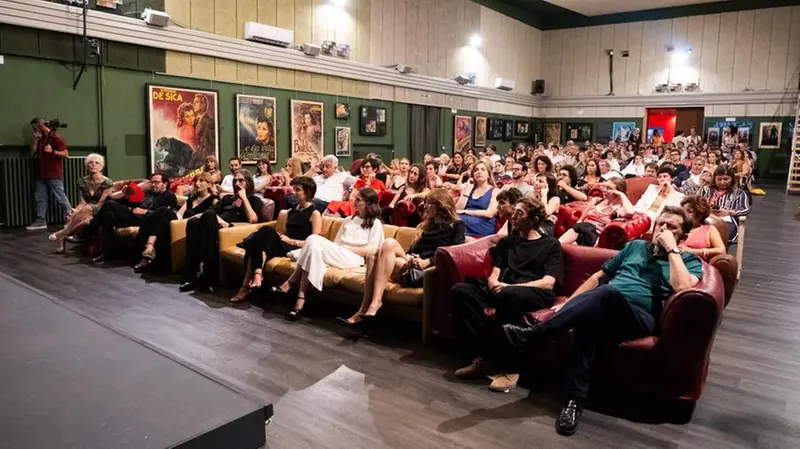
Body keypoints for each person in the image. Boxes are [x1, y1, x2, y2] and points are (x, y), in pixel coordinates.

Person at [502, 206, 703, 436]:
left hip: (638, 317)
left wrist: (672, 250)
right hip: (604, 307)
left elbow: (682, 287)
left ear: (683, 236)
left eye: (671, 227)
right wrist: (568, 306)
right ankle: (573, 402)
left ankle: (536, 333)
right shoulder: (635, 247)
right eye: (661, 224)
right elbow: (598, 277)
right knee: (588, 322)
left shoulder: (689, 260)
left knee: (608, 293)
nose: (663, 229)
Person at [452, 198, 563, 392]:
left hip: (532, 291)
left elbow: (548, 282)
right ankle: (486, 358)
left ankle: (511, 369)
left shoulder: (550, 245)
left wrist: (509, 286)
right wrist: (494, 282)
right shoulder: (508, 242)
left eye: (520, 213)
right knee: (461, 290)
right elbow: (495, 271)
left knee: (509, 295)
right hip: (504, 289)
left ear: (534, 219)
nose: (513, 216)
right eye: (514, 211)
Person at [341, 188, 466, 326]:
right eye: (426, 202)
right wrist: (410, 258)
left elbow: (454, 252)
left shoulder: (456, 225)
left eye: (429, 203)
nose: (425, 206)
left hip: (427, 271)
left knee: (381, 251)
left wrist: (427, 262)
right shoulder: (425, 226)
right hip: (411, 265)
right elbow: (412, 250)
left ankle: (371, 305)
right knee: (380, 250)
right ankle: (366, 307)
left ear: (441, 205)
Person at [274, 187, 384, 320]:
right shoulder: (348, 220)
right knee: (312, 249)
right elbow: (336, 243)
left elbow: (373, 251)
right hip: (338, 254)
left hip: (355, 259)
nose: (354, 202)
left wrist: (347, 248)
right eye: (355, 198)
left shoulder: (375, 224)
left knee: (313, 239)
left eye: (358, 200)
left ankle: (291, 282)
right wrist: (340, 248)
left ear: (368, 203)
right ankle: (300, 299)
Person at [231, 176, 322, 302]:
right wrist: (280, 236)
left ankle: (247, 285)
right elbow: (286, 232)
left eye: (298, 190)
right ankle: (255, 277)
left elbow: (315, 242)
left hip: (296, 248)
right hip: (284, 243)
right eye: (294, 189)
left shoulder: (314, 213)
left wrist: (290, 241)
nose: (293, 192)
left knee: (263, 233)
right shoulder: (292, 211)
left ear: (308, 193)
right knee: (259, 240)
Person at [180, 169, 262, 292]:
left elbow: (253, 220)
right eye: (235, 181)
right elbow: (211, 211)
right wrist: (217, 218)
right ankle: (191, 275)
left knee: (208, 217)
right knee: (193, 222)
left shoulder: (254, 200)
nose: (237, 184)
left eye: (241, 181)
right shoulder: (227, 199)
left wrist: (244, 198)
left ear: (249, 183)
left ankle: (206, 276)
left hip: (233, 230)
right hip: (216, 225)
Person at [133, 172, 218, 273]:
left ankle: (149, 248)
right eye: (195, 181)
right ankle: (150, 248)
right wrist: (176, 221)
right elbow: (179, 214)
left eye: (201, 181)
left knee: (161, 211)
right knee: (159, 216)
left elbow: (211, 218)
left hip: (194, 227)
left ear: (209, 184)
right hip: (179, 225)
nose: (197, 184)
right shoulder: (191, 199)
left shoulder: (213, 199)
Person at [89, 173, 178, 263]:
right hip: (133, 216)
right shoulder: (147, 193)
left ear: (165, 184)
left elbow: (166, 215)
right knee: (108, 215)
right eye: (152, 182)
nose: (153, 184)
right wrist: (125, 195)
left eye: (156, 182)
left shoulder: (169, 196)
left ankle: (90, 229)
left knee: (110, 204)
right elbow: (129, 203)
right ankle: (108, 252)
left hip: (145, 220)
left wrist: (146, 212)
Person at [47, 153, 113, 253]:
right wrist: (75, 210)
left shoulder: (107, 182)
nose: (93, 164)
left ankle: (61, 234)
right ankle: (63, 238)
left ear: (101, 167)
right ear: (87, 166)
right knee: (84, 220)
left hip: (103, 209)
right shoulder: (82, 181)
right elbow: (82, 202)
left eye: (97, 163)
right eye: (90, 162)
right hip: (87, 211)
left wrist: (85, 208)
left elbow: (100, 203)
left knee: (87, 209)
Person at [559, 179, 635, 247]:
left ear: (617, 192)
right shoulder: (596, 201)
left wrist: (622, 195)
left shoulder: (618, 209)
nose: (604, 190)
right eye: (605, 187)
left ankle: (556, 246)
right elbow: (581, 220)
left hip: (595, 237)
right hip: (580, 231)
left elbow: (630, 212)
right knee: (572, 243)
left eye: (609, 188)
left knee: (584, 227)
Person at [26, 117, 72, 231]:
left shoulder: (55, 137)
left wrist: (53, 151)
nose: (35, 130)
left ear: (41, 126)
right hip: (41, 173)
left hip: (53, 173)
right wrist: (35, 140)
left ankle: (72, 219)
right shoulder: (41, 139)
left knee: (60, 198)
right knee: (40, 198)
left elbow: (66, 154)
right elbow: (32, 154)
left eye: (36, 128)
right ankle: (41, 220)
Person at [698, 166, 750, 242]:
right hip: (705, 218)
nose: (722, 182)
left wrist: (729, 212)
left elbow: (746, 209)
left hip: (726, 220)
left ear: (732, 179)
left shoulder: (739, 193)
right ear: (714, 179)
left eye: (726, 179)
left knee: (722, 234)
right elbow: (696, 203)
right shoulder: (705, 189)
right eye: (719, 179)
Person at [456, 161, 499, 238]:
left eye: (483, 169)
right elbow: (458, 209)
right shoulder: (468, 188)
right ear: (473, 175)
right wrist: (467, 190)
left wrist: (465, 212)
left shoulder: (496, 191)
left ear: (488, 175)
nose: (479, 172)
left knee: (458, 223)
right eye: (476, 170)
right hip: (464, 219)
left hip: (482, 223)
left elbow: (489, 214)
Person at [680, 195, 726, 260]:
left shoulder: (709, 230)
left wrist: (693, 251)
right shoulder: (676, 227)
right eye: (682, 211)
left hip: (696, 263)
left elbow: (721, 251)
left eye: (689, 211)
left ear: (700, 214)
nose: (684, 214)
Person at [534, 173, 560, 237]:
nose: (536, 183)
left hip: (546, 227)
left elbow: (546, 212)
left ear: (549, 186)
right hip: (534, 223)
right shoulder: (535, 196)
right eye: (536, 180)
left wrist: (544, 194)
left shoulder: (555, 199)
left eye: (540, 181)